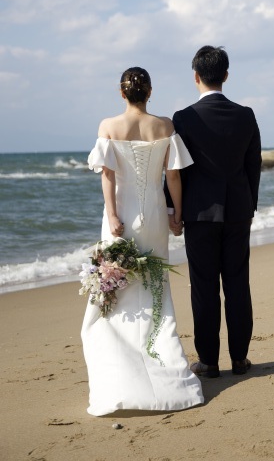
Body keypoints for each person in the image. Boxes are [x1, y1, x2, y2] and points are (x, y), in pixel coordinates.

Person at [81, 67, 204, 416]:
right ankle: (160, 363)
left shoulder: (108, 126)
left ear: (122, 94)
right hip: (153, 213)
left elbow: (107, 176)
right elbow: (174, 175)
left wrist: (113, 216)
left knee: (117, 290)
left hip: (119, 215)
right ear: (150, 92)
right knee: (155, 288)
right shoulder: (164, 126)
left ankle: (122, 373)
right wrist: (176, 213)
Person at [165, 46, 262, 378]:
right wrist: (250, 205)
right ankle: (239, 359)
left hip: (198, 213)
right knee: (237, 284)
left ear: (196, 76)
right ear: (226, 76)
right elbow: (254, 166)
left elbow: (177, 170)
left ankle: (208, 362)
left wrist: (173, 212)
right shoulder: (246, 114)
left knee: (203, 287)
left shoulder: (184, 117)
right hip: (237, 211)